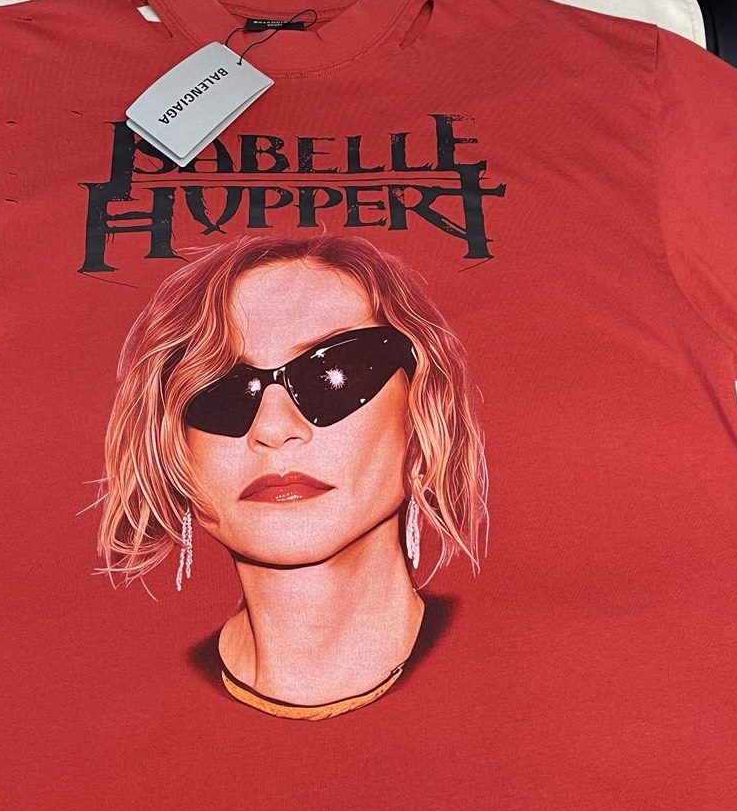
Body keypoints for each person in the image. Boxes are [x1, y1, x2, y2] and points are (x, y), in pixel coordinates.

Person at [97, 232, 487, 718]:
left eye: (333, 375)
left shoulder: (523, 667)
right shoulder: (109, 700)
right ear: (170, 438)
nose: (274, 429)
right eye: (222, 390)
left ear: (421, 408)